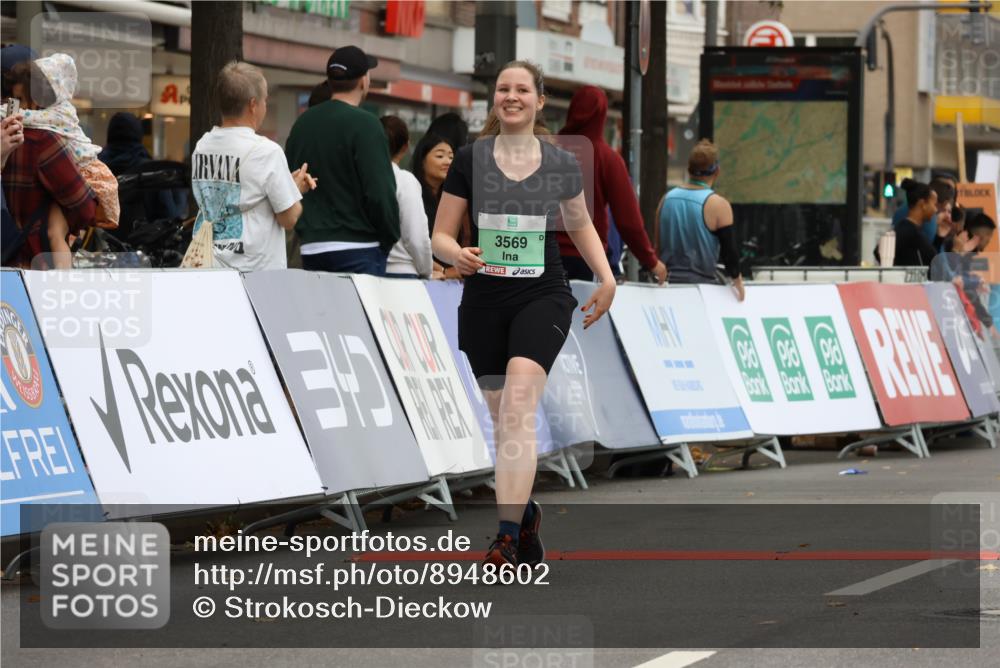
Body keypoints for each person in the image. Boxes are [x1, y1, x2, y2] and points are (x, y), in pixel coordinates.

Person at [431, 60, 615, 570]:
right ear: (496, 99)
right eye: (503, 89)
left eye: (521, 90)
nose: (511, 96)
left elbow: (580, 226)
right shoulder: (471, 158)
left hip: (543, 296)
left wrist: (606, 277)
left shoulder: (559, 163)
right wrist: (456, 254)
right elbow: (441, 234)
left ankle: (506, 538)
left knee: (516, 408)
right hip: (486, 303)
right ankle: (524, 512)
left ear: (538, 101)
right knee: (501, 419)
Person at [190, 62, 316, 271]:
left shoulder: (202, 146)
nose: (266, 105)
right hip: (255, 272)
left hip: (209, 265)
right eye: (265, 99)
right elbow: (289, 218)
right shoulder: (267, 152)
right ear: (253, 104)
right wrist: (295, 189)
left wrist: (286, 184)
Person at [285, 45, 399, 275]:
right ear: (363, 81)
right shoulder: (367, 124)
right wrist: (389, 237)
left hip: (311, 247)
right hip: (360, 246)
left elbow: (287, 183)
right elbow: (380, 192)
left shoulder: (302, 125)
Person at [4, 54, 119, 268]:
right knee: (56, 232)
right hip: (39, 262)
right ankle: (62, 285)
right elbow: (84, 208)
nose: (21, 107)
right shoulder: (42, 140)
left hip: (15, 258)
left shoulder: (14, 133)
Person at [556, 85, 666, 284]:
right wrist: (651, 261)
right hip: (588, 258)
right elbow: (628, 221)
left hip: (544, 255)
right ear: (602, 115)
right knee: (583, 315)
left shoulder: (547, 150)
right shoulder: (606, 158)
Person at [656, 139, 744, 300]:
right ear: (717, 171)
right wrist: (737, 280)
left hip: (666, 288)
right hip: (702, 291)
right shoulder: (719, 205)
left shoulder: (666, 199)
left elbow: (658, 246)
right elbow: (729, 253)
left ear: (689, 170)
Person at [98, 112, 185, 228]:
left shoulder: (97, 169)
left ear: (110, 134)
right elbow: (170, 215)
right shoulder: (151, 171)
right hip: (143, 243)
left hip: (101, 242)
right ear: (138, 134)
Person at [380, 115, 432, 278]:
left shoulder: (360, 178)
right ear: (405, 146)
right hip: (401, 272)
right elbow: (416, 237)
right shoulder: (404, 180)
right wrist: (426, 271)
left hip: (368, 269)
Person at [893, 178, 939, 268]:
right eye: (934, 204)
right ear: (923, 204)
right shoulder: (906, 230)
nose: (936, 210)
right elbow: (880, 252)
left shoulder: (914, 230)